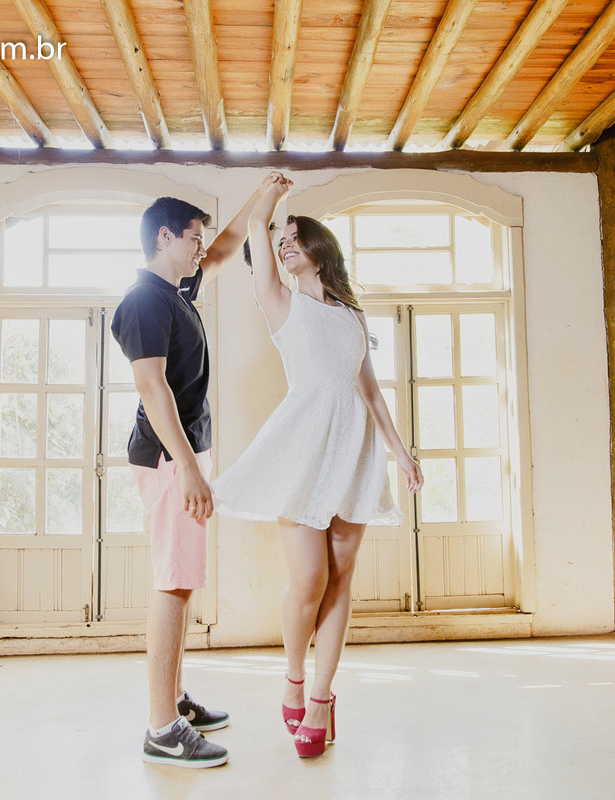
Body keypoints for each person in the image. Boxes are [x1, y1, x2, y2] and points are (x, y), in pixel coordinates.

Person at [212, 175, 424, 758]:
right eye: (282, 240)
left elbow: (372, 394)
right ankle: (294, 677)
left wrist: (402, 454)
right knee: (308, 580)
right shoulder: (281, 302)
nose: (284, 244)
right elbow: (255, 228)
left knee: (341, 577)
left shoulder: (352, 317)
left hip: (354, 449)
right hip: (303, 448)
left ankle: (324, 699)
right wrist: (271, 200)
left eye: (295, 238)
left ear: (319, 251)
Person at [111, 173, 284, 769]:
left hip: (182, 453)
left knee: (181, 581)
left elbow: (227, 246)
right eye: (191, 238)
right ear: (164, 237)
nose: (199, 249)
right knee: (173, 582)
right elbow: (151, 387)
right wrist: (187, 468)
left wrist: (264, 201)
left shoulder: (177, 293)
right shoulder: (144, 301)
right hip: (167, 458)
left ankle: (174, 699)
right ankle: (162, 727)